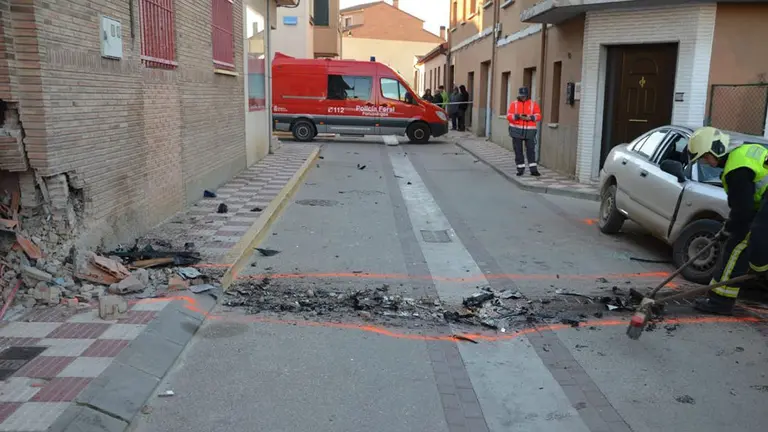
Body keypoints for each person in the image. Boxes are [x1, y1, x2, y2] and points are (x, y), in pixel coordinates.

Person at [688, 126, 768, 315]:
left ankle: (719, 302)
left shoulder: (736, 170)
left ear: (716, 149)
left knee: (737, 246)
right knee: (750, 244)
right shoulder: (744, 152)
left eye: (705, 157)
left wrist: (729, 229)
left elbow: (743, 212)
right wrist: (730, 225)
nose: (705, 163)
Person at [506, 87, 542, 176]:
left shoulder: (533, 104)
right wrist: (518, 116)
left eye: (524, 96)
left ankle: (533, 170)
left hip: (529, 132)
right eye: (521, 96)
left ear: (527, 95)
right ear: (519, 95)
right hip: (516, 131)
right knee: (518, 151)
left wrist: (531, 117)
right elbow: (509, 116)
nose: (523, 98)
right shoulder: (514, 104)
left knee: (531, 150)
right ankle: (520, 169)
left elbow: (538, 115)